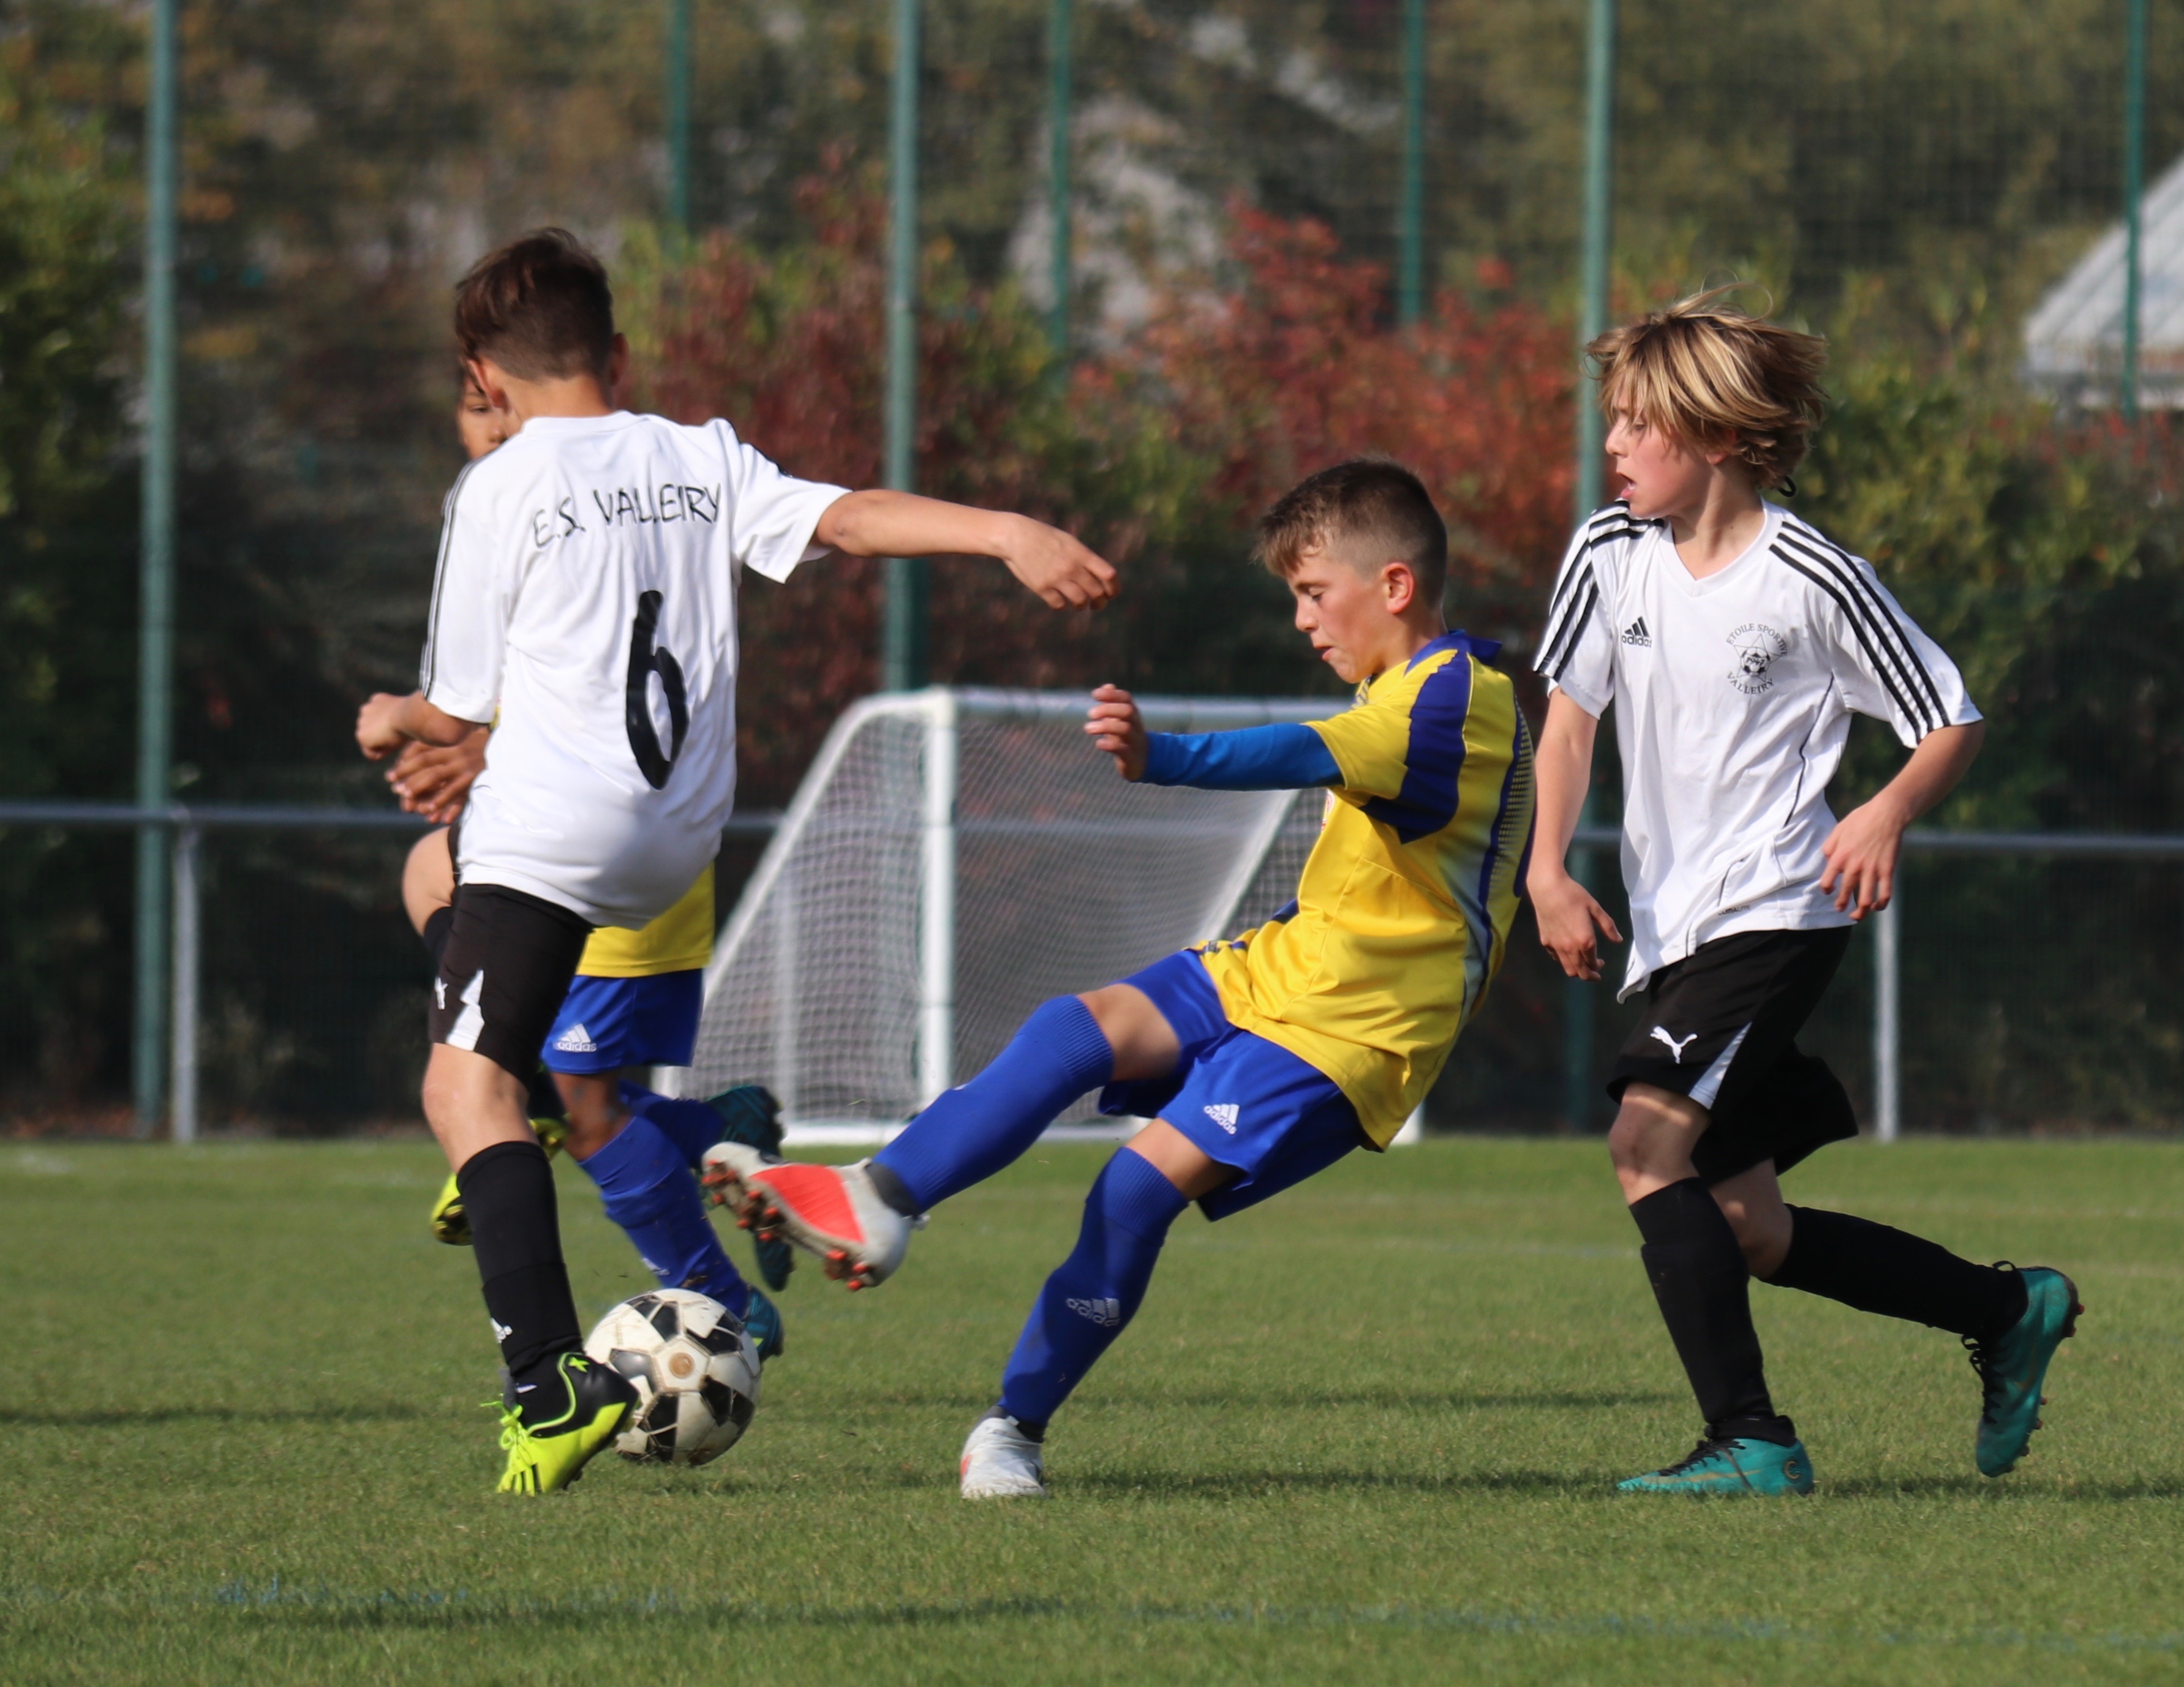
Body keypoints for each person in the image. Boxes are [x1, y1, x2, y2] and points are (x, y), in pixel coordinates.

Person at [355, 228, 1117, 1495]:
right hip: (678, 842)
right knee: (436, 884)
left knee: (459, 1091)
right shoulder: (698, 455)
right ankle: (540, 1102)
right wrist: (1005, 531)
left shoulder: (499, 483)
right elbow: (850, 519)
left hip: (559, 835)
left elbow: (453, 705)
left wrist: (391, 719)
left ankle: (545, 1386)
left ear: (482, 377)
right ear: (615, 353)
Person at [705, 457, 1533, 1499]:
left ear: (1395, 586)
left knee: (1132, 1189)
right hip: (1277, 966)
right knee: (1071, 1028)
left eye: (1314, 593)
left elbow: (1299, 749)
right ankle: (880, 1195)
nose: (1300, 620)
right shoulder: (1400, 685)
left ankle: (1012, 1430)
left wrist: (1164, 755)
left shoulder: (1455, 698)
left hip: (1354, 1031)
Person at [1521, 289, 2081, 1496]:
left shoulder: (1811, 575)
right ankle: (2007, 1309)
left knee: (1642, 1143)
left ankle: (1752, 1441)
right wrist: (1545, 866)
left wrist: (1883, 810)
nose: (1612, 443)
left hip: (1776, 908)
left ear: (1721, 437)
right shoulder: (1606, 550)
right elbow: (1567, 721)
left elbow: (1949, 717)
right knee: (1749, 1228)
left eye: (1639, 423)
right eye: (1613, 418)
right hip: (1675, 927)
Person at [396, 367, 798, 1364]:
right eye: (478, 423)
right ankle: (704, 1127)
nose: (498, 435)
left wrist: (453, 738)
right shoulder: (521, 500)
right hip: (577, 846)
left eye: (504, 413)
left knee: (584, 1113)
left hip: (603, 851)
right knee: (427, 874)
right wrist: (475, 751)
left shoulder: (594, 497)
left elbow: (622, 694)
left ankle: (722, 1302)